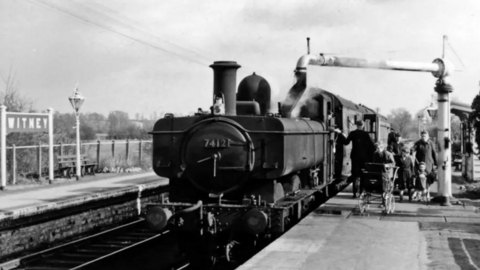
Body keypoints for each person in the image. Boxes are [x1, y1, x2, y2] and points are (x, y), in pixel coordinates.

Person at [334, 119, 375, 198]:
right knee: (363, 175)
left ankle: (354, 194)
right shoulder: (366, 134)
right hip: (364, 158)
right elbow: (372, 147)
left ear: (356, 125)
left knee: (355, 176)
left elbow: (346, 142)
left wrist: (340, 133)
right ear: (363, 126)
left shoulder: (353, 133)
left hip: (355, 157)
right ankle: (361, 193)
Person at [412, 131, 437, 197]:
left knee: (428, 178)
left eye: (425, 136)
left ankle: (427, 192)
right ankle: (419, 192)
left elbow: (434, 153)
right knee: (420, 178)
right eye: (422, 136)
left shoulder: (431, 143)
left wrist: (436, 163)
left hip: (428, 163)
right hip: (420, 163)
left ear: (428, 136)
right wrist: (412, 150)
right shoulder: (418, 143)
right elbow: (413, 149)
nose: (423, 137)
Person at [372, 141, 396, 206]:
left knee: (385, 186)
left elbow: (393, 163)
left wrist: (387, 165)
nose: (377, 149)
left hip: (387, 172)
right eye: (376, 148)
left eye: (378, 148)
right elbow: (374, 163)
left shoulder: (388, 154)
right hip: (379, 172)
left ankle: (385, 201)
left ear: (382, 147)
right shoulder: (375, 154)